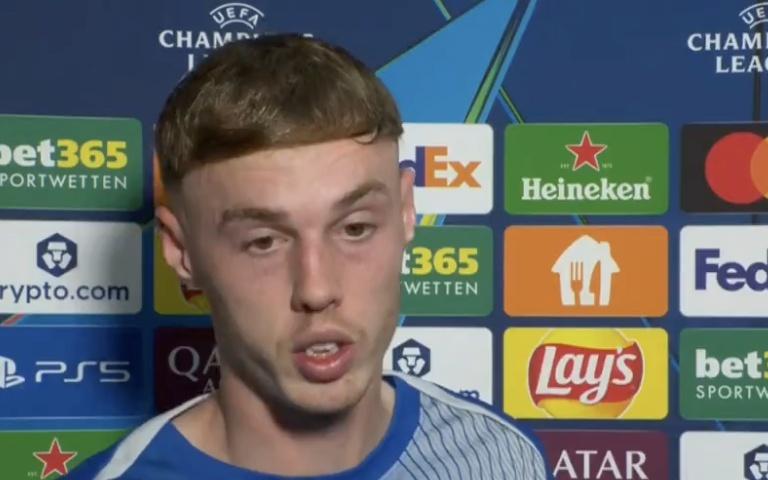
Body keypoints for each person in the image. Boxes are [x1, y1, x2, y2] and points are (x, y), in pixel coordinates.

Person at [65, 35, 548, 480]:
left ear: (405, 212)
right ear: (181, 251)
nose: (317, 290)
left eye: (355, 228)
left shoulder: (502, 459)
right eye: (263, 242)